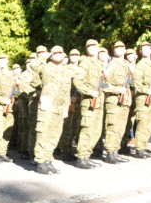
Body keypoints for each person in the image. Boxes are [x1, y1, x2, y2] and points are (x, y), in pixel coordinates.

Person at [32, 46, 72, 174]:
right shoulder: (46, 67)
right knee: (44, 132)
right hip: (48, 105)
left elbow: (67, 90)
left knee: (55, 134)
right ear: (51, 55)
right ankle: (40, 161)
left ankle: (48, 160)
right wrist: (44, 56)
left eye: (60, 53)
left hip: (60, 106)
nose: (58, 55)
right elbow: (33, 66)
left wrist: (66, 105)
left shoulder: (66, 70)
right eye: (55, 53)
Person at [73, 39, 106, 169]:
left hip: (99, 101)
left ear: (98, 48)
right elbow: (77, 81)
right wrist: (90, 92)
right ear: (86, 49)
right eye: (89, 47)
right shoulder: (84, 63)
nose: (92, 48)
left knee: (96, 131)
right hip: (89, 101)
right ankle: (81, 158)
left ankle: (87, 155)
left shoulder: (100, 64)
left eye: (94, 46)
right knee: (87, 129)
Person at [132, 42, 151, 159]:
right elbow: (137, 84)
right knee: (142, 123)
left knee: (149, 124)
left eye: (148, 49)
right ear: (141, 52)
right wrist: (145, 90)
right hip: (143, 98)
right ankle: (139, 149)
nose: (146, 51)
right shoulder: (140, 65)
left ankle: (143, 146)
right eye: (144, 49)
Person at [0, 55, 17, 163]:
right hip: (0, 107)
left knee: (7, 131)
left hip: (10, 107)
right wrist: (2, 100)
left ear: (7, 61)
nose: (1, 62)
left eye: (3, 60)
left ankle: (3, 152)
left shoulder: (12, 75)